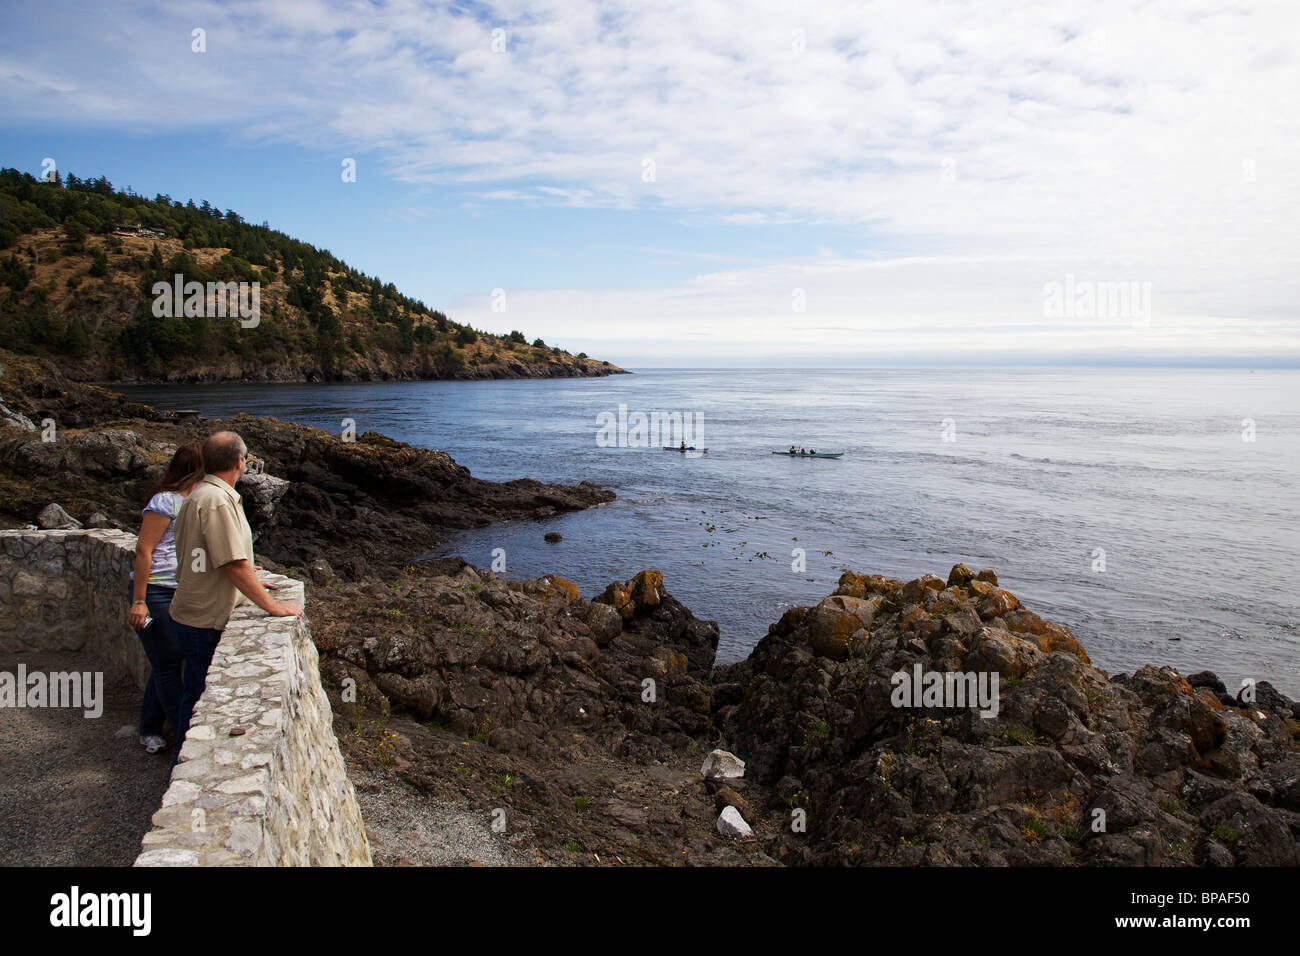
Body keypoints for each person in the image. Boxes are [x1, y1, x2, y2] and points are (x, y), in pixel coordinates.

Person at [169, 431, 300, 755]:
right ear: (240, 462)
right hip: (204, 620)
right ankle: (184, 765)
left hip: (191, 614)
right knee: (200, 700)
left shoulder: (200, 495)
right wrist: (272, 606)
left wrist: (251, 579)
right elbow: (233, 564)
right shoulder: (216, 501)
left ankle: (181, 757)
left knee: (194, 696)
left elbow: (219, 558)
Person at [127, 443, 203, 754]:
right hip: (156, 591)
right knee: (170, 661)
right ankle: (184, 738)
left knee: (167, 661)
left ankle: (149, 727)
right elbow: (144, 550)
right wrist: (139, 600)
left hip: (181, 589)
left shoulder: (196, 501)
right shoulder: (164, 502)